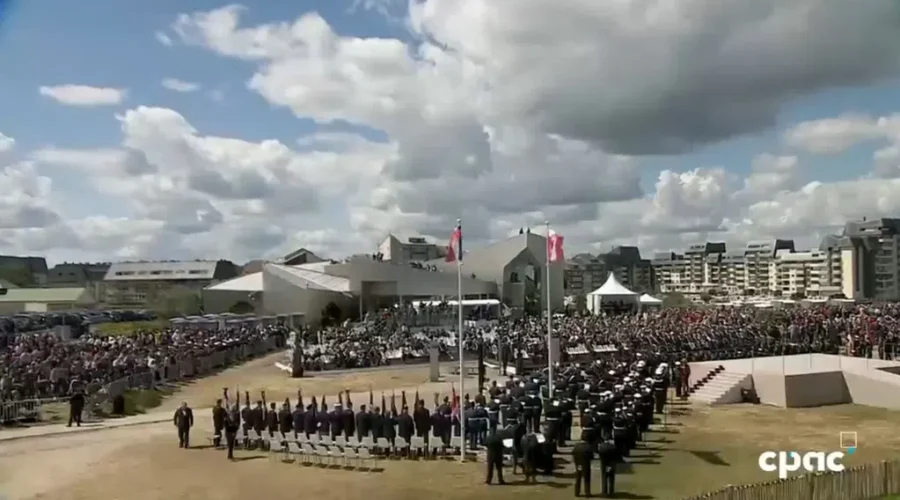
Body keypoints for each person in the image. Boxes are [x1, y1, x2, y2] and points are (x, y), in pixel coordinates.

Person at [572, 432, 594, 497]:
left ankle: (577, 492)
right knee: (587, 479)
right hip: (586, 464)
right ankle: (587, 492)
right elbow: (591, 456)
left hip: (578, 464)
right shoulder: (589, 446)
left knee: (578, 478)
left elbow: (573, 454)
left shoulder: (576, 446)